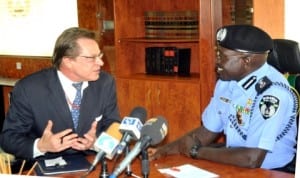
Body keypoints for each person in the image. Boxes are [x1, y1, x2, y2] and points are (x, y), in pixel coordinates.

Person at [150, 25, 299, 171]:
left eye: (223, 56)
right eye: (217, 54)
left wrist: (196, 151)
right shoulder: (226, 82)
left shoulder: (272, 94)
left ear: (246, 61)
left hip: (274, 171)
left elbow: (252, 158)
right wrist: (164, 150)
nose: (217, 61)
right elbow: (208, 131)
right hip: (235, 163)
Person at [0, 27, 122, 160]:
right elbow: (8, 138)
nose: (101, 63)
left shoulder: (105, 82)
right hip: (46, 164)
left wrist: (97, 144)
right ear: (68, 61)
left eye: (99, 56)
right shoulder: (29, 89)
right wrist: (41, 146)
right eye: (91, 58)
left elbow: (113, 123)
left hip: (92, 161)